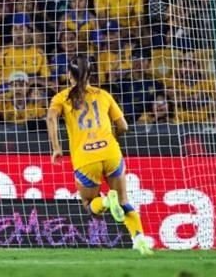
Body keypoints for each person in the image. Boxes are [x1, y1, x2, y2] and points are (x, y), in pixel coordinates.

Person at [46, 56, 153, 255]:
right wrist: (112, 138)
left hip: (86, 158)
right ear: (91, 75)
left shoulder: (62, 97)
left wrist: (56, 147)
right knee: (123, 199)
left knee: (88, 204)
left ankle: (105, 201)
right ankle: (140, 241)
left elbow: (51, 117)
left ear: (69, 75)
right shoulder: (104, 95)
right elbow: (124, 126)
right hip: (111, 152)